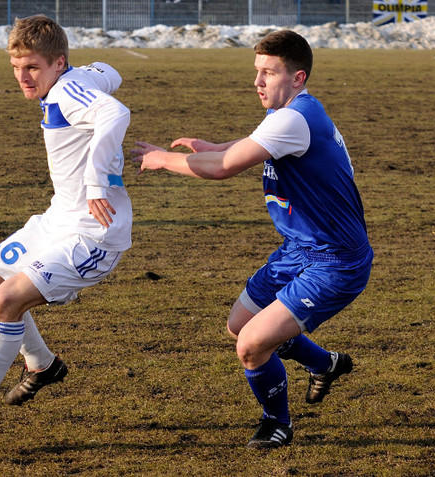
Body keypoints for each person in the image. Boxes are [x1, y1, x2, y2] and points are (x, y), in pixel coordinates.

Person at [131, 30, 372, 449]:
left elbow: (224, 167)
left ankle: (277, 423)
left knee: (253, 344)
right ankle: (325, 364)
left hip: (335, 261)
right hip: (300, 250)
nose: (257, 82)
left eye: (268, 72)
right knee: (239, 325)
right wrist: (209, 145)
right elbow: (245, 146)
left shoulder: (296, 119)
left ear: (297, 77)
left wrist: (162, 160)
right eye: (256, 72)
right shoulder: (291, 114)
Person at [0, 14, 132, 435]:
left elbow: (116, 113)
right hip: (58, 218)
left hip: (93, 234)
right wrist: (90, 74)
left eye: (33, 67)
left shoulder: (69, 90)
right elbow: (112, 72)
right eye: (17, 68)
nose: (23, 77)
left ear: (58, 61)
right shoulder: (74, 79)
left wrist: (95, 180)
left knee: (7, 300)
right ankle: (43, 364)